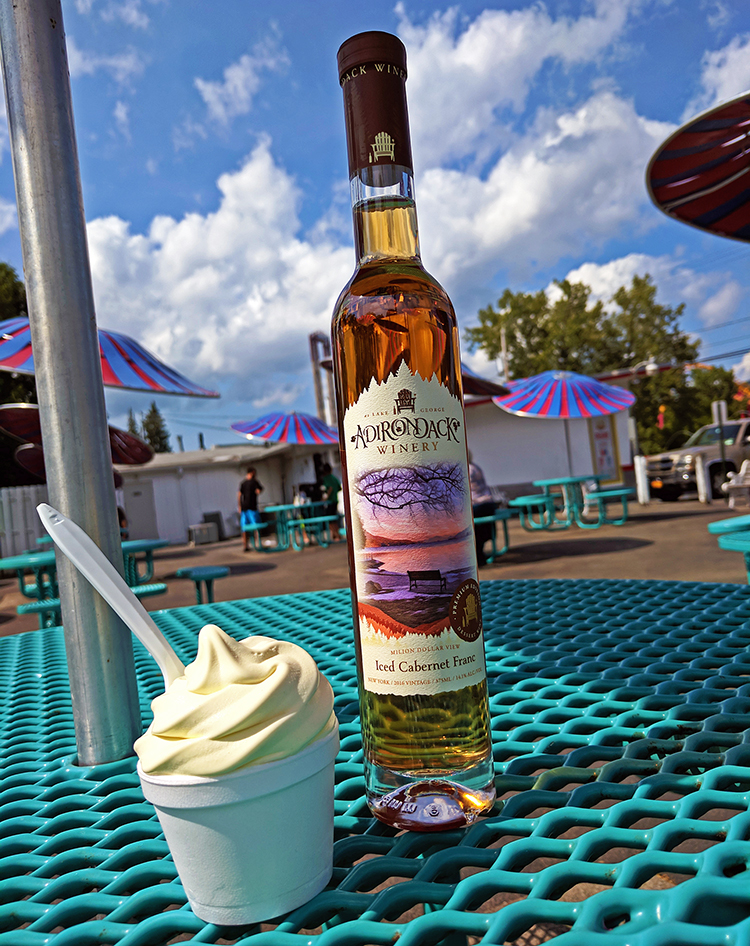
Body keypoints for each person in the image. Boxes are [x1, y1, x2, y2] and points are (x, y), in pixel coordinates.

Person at [469, 457, 496, 567]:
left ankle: (477, 555)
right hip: (488, 502)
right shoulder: (475, 467)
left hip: (477, 504)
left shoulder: (466, 469)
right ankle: (480, 552)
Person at [238, 467, 264, 551]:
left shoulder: (243, 483)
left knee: (244, 527)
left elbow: (239, 495)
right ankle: (258, 543)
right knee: (256, 525)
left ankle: (245, 545)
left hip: (244, 508)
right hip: (252, 507)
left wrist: (239, 506)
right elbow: (259, 491)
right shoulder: (254, 482)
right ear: (253, 473)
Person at [320, 462, 342, 541]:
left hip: (330, 501)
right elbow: (339, 488)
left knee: (329, 520)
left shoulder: (327, 478)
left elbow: (330, 488)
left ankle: (336, 535)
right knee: (334, 519)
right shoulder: (334, 478)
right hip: (335, 500)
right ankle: (336, 534)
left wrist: (326, 498)